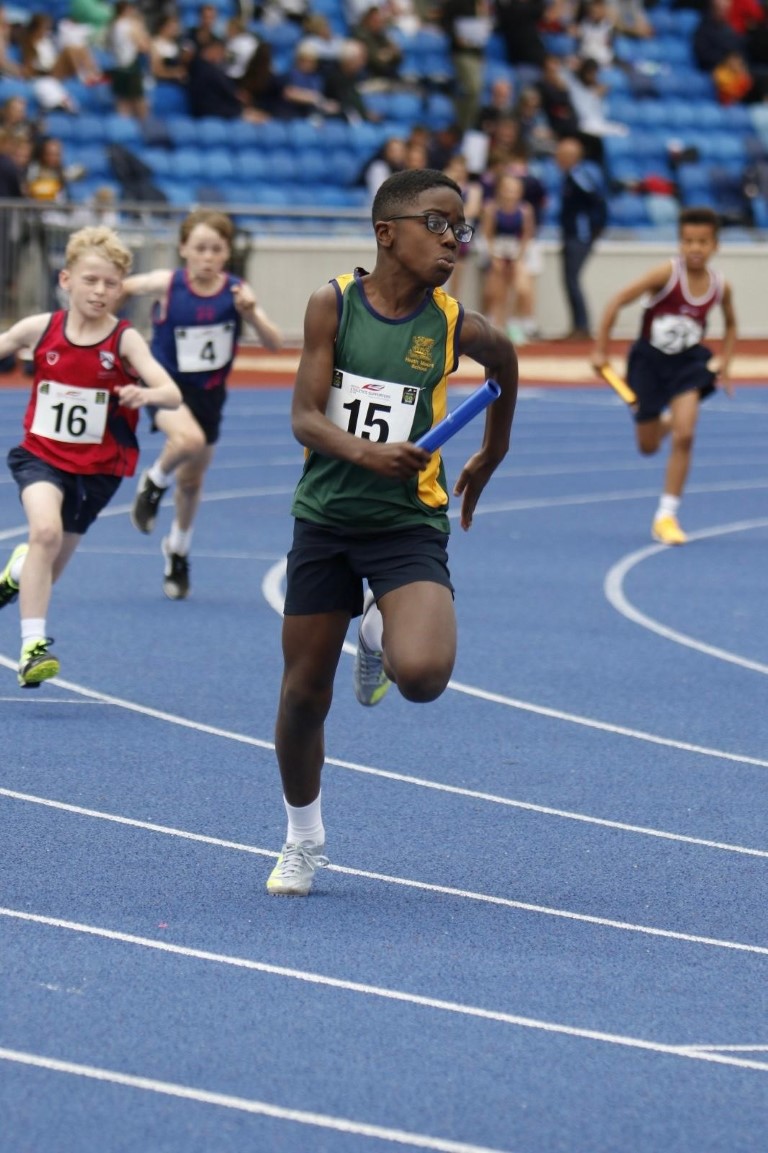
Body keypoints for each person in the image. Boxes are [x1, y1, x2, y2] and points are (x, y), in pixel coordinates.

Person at [266, 167, 518, 896]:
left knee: (425, 676)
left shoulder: (450, 323)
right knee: (304, 693)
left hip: (406, 524)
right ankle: (303, 838)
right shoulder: (333, 305)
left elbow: (504, 361)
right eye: (439, 224)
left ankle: (375, 632)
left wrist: (493, 448)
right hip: (326, 520)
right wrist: (368, 452)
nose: (454, 240)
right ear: (388, 232)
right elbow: (305, 418)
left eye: (461, 228)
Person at [0, 225, 181, 688]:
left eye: (110, 283)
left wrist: (144, 393)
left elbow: (172, 393)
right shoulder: (40, 329)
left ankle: (17, 571)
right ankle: (33, 648)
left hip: (98, 472)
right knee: (44, 530)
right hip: (40, 456)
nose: (100, 291)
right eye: (90, 280)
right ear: (66, 280)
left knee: (47, 563)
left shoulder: (124, 340)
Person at [121, 209, 283, 600]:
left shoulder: (237, 293)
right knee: (188, 441)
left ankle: (177, 549)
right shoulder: (167, 284)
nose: (207, 257)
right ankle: (154, 481)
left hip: (209, 393)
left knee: (192, 483)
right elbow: (124, 287)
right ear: (183, 250)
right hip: (165, 385)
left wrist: (251, 314)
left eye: (215, 249)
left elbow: (275, 342)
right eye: (199, 249)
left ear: (226, 253)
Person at [590, 206, 737, 546]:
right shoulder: (665, 275)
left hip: (688, 365)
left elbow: (731, 323)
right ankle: (665, 421)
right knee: (649, 445)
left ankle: (666, 515)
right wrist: (600, 349)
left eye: (702, 242)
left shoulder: (719, 286)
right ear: (679, 243)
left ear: (715, 245)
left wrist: (726, 362)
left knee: (686, 435)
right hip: (649, 364)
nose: (695, 248)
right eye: (688, 241)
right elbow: (616, 302)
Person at [555, 135, 607, 340]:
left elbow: (597, 201)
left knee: (572, 279)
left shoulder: (579, 176)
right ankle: (577, 325)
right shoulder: (570, 176)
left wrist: (595, 229)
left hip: (580, 235)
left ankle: (582, 326)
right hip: (572, 233)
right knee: (569, 280)